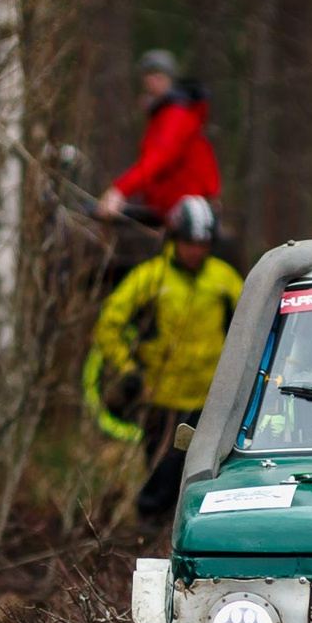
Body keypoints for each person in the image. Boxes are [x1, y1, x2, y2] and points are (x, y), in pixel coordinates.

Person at [94, 196, 243, 521]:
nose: (196, 250)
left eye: (203, 243)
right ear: (175, 239)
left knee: (209, 476)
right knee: (162, 477)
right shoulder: (150, 277)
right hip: (162, 400)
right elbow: (109, 324)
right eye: (190, 242)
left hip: (212, 402)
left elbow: (251, 325)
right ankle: (147, 538)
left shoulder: (224, 279)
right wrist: (128, 369)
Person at [96, 51, 220, 225]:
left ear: (171, 79)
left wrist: (120, 191)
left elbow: (157, 160)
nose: (152, 81)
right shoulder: (164, 114)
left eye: (159, 74)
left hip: (185, 215)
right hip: (169, 210)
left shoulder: (176, 115)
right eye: (148, 75)